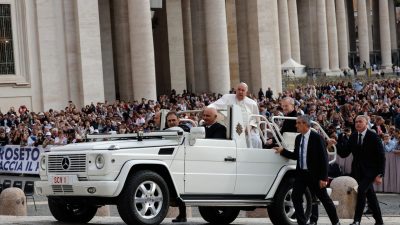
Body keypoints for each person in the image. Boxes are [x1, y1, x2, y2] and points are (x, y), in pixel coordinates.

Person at [274, 115, 340, 225]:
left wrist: (324, 178)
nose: (296, 125)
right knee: (296, 197)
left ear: (305, 124)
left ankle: (336, 222)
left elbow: (324, 159)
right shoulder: (298, 138)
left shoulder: (317, 137)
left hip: (315, 175)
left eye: (298, 123)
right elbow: (296, 155)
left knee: (325, 200)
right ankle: (302, 222)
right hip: (301, 175)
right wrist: (283, 151)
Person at [334, 115, 385, 225]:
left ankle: (357, 220)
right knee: (371, 196)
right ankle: (379, 221)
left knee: (361, 191)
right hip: (357, 171)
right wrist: (335, 145)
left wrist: (380, 174)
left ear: (366, 123)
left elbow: (381, 156)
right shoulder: (353, 136)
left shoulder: (373, 136)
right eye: (356, 122)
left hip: (371, 171)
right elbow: (344, 153)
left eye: (360, 121)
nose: (357, 123)